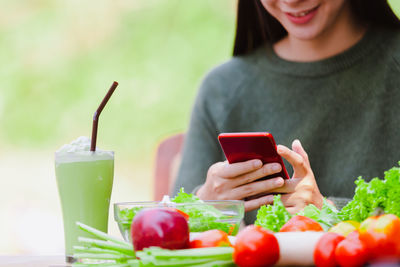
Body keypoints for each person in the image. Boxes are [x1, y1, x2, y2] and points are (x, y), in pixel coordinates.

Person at [172, 0, 400, 225]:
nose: (291, 1)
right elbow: (173, 225)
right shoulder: (223, 88)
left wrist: (329, 213)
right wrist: (205, 204)